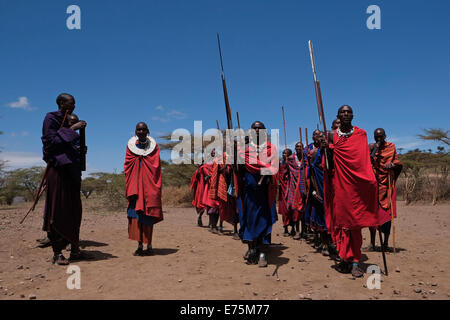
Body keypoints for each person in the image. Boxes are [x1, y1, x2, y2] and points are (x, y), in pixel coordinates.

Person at [321, 105, 390, 277]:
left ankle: (355, 262)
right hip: (340, 187)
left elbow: (363, 162)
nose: (345, 114)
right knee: (343, 224)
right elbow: (329, 165)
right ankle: (345, 259)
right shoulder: (331, 135)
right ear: (337, 115)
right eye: (342, 112)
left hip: (357, 188)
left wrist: (370, 182)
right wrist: (326, 149)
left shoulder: (361, 134)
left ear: (353, 115)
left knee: (355, 225)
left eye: (348, 111)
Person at [41, 93, 89, 265]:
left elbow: (69, 146)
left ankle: (75, 250)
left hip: (73, 172)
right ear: (61, 103)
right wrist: (72, 129)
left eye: (75, 103)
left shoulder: (69, 119)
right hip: (58, 171)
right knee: (58, 210)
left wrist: (79, 150)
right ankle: (57, 253)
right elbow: (50, 142)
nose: (73, 106)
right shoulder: (51, 118)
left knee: (74, 210)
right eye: (70, 103)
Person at [237, 121, 278, 267]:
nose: (257, 130)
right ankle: (252, 249)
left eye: (260, 128)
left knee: (264, 221)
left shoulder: (270, 148)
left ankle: (262, 253)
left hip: (264, 192)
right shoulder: (243, 150)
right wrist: (238, 163)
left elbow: (274, 168)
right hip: (249, 192)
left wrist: (263, 170)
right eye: (254, 128)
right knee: (249, 220)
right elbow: (238, 172)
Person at [124, 122, 163, 256]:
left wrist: (145, 161)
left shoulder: (154, 147)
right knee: (136, 216)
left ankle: (150, 245)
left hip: (149, 187)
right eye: (138, 129)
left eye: (143, 129)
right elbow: (127, 164)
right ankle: (139, 245)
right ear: (135, 132)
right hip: (135, 188)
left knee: (148, 215)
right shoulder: (130, 147)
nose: (141, 131)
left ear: (148, 131)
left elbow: (156, 166)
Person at [366, 128, 403, 252]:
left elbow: (397, 162)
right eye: (376, 137)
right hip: (374, 185)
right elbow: (367, 162)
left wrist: (392, 165)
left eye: (381, 137)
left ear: (385, 136)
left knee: (386, 215)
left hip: (387, 185)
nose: (379, 139)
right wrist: (374, 149)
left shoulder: (391, 147)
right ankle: (371, 244)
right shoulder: (372, 148)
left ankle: (385, 244)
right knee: (372, 215)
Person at [304, 130, 330, 255]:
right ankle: (324, 243)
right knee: (321, 217)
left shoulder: (331, 152)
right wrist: (315, 192)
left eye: (322, 137)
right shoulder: (314, 153)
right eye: (318, 137)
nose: (321, 139)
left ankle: (332, 244)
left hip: (332, 190)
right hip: (320, 190)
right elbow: (312, 174)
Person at [285, 143, 307, 238]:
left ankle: (304, 231)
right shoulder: (290, 159)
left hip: (304, 185)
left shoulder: (306, 158)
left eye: (300, 147)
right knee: (296, 210)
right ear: (294, 148)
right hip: (294, 187)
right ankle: (297, 231)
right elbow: (285, 168)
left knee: (304, 209)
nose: (298, 148)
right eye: (297, 147)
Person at [278, 148, 293, 236]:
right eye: (283, 153)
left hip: (290, 186)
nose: (284, 155)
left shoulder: (292, 163)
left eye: (286, 153)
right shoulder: (280, 163)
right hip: (282, 187)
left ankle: (293, 228)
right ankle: (286, 228)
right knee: (284, 209)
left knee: (291, 208)